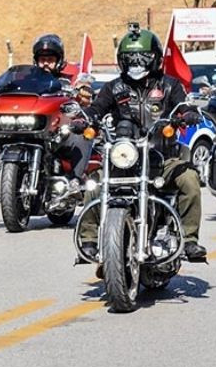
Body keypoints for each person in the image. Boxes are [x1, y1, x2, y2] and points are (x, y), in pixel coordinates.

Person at [75, 25, 207, 261]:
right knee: (94, 183)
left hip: (162, 158)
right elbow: (95, 109)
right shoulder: (113, 87)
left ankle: (189, 241)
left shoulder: (170, 85)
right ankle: (89, 240)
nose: (137, 63)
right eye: (130, 58)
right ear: (121, 61)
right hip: (125, 158)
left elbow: (182, 105)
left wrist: (187, 113)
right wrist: (83, 120)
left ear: (154, 58)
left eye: (143, 57)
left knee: (189, 180)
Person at [31, 33, 92, 182]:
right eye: (42, 60)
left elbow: (83, 86)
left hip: (62, 127)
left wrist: (83, 90)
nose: (45, 64)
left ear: (59, 60)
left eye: (50, 60)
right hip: (35, 126)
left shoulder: (71, 74)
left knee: (83, 136)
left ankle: (75, 181)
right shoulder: (29, 77)